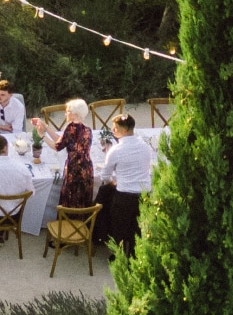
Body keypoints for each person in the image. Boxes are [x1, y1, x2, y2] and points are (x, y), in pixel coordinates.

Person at [99, 114, 153, 254]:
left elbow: (105, 175)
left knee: (120, 228)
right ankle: (136, 257)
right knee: (139, 229)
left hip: (124, 196)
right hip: (144, 194)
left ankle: (120, 258)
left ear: (124, 131)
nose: (112, 130)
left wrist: (112, 182)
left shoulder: (116, 150)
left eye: (115, 128)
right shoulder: (146, 147)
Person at [33, 99, 94, 211]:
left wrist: (42, 135)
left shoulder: (71, 128)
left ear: (75, 114)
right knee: (83, 200)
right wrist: (46, 128)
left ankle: (68, 222)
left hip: (74, 169)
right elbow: (62, 140)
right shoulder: (87, 129)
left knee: (71, 199)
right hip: (87, 168)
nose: (65, 113)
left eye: (68, 111)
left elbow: (57, 146)